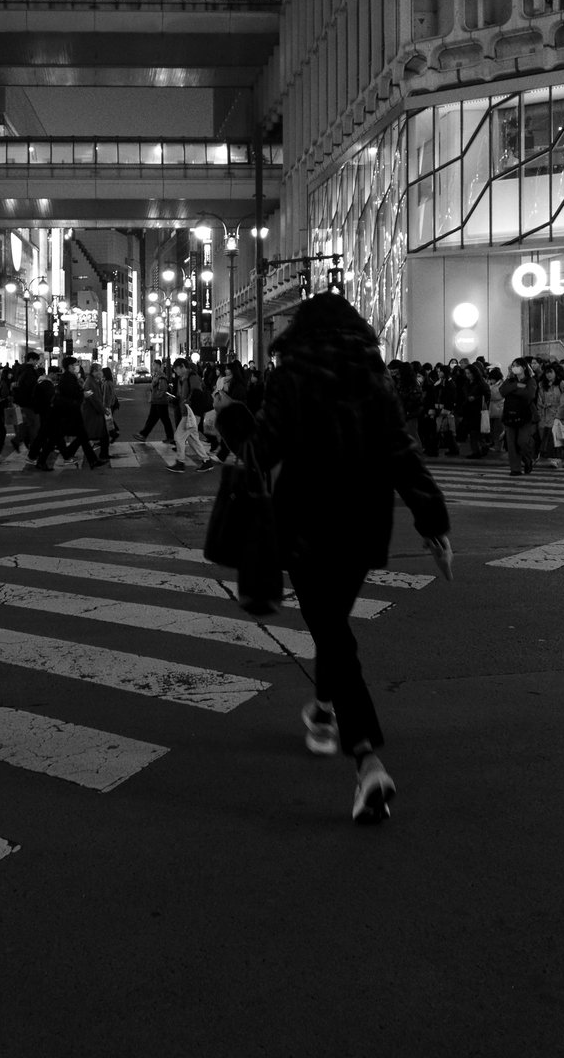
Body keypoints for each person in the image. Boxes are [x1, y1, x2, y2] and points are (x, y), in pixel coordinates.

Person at [216, 294, 450, 824]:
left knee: (333, 634)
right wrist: (431, 518)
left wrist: (232, 420)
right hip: (366, 523)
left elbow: (261, 451)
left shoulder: (292, 373)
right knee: (331, 624)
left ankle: (367, 760)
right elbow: (400, 448)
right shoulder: (374, 374)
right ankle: (322, 712)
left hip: (306, 523)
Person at [34, 355, 106, 471]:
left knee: (79, 436)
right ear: (69, 366)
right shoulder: (67, 378)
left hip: (66, 413)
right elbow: (69, 395)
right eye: (75, 365)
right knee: (57, 437)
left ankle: (92, 460)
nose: (77, 367)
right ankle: (43, 461)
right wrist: (83, 395)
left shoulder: (69, 377)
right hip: (66, 414)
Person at [169, 358, 214, 473]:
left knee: (179, 436)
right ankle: (206, 461)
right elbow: (184, 395)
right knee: (192, 438)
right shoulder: (182, 379)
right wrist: (177, 400)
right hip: (188, 412)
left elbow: (196, 392)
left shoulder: (192, 376)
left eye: (177, 369)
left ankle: (180, 462)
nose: (176, 372)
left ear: (183, 366)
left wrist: (187, 401)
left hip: (192, 413)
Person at [500, 357, 538, 477]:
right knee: (511, 444)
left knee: (522, 441)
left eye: (517, 365)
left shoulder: (530, 380)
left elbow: (529, 394)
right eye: (513, 365)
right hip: (509, 415)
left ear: (524, 367)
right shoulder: (510, 380)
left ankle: (528, 458)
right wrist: (517, 385)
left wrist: (514, 388)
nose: (515, 367)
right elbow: (502, 391)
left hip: (525, 415)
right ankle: (515, 469)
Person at [133, 359, 175, 445]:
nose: (153, 366)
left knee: (163, 419)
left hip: (160, 402)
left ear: (159, 366)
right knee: (152, 419)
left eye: (154, 365)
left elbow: (163, 389)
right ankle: (143, 435)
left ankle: (170, 437)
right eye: (153, 365)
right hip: (156, 401)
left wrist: (157, 397)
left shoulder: (161, 376)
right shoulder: (156, 375)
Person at [535, 363, 564, 468]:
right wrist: (541, 412)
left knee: (554, 438)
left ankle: (555, 459)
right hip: (545, 415)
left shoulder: (561, 384)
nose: (549, 375)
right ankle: (548, 458)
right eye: (547, 372)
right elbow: (539, 400)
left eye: (551, 372)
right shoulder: (542, 385)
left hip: (557, 416)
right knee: (545, 437)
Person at [82, 363, 111, 463]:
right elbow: (94, 399)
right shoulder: (90, 383)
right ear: (94, 372)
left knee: (103, 435)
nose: (101, 373)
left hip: (95, 413)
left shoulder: (94, 381)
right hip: (92, 413)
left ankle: (104, 454)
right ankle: (102, 455)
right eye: (99, 370)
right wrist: (103, 410)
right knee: (90, 436)